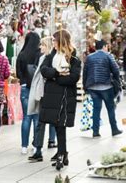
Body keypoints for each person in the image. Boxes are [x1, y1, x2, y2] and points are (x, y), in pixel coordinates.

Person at [39, 30, 81, 170]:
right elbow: (44, 70)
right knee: (57, 125)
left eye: (55, 41)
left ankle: (62, 154)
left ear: (61, 41)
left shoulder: (73, 58)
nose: (53, 43)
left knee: (61, 124)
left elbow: (73, 77)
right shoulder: (51, 56)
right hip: (52, 96)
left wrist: (56, 79)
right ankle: (63, 153)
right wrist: (57, 74)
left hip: (64, 97)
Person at [83, 40, 123, 138]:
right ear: (104, 46)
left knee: (96, 109)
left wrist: (85, 86)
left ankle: (95, 132)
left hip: (92, 87)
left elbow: (85, 72)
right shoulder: (108, 56)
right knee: (110, 108)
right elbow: (116, 69)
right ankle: (114, 129)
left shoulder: (89, 57)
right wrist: (116, 81)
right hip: (106, 86)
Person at [28, 37, 58, 163]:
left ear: (49, 46)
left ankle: (59, 150)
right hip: (41, 95)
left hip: (51, 95)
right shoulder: (42, 58)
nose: (41, 48)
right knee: (40, 123)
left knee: (56, 123)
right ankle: (38, 150)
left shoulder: (54, 59)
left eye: (43, 45)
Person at [16, 32, 42, 154]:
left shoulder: (21, 55)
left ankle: (24, 146)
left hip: (25, 87)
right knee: (37, 117)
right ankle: (36, 145)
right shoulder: (40, 55)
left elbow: (18, 74)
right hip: (36, 88)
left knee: (26, 117)